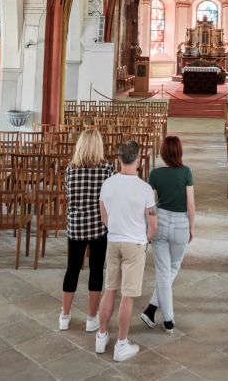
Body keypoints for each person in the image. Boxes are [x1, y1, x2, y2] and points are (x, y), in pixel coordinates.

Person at [96, 140, 157, 362]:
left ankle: (101, 335)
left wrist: (115, 230)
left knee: (110, 290)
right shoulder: (145, 189)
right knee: (128, 296)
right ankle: (121, 344)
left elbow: (104, 216)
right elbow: (153, 224)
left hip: (113, 241)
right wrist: (145, 240)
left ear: (119, 159)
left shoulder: (107, 184)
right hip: (135, 244)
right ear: (138, 159)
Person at [60, 129, 114, 332]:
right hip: (99, 226)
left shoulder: (70, 169)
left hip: (76, 226)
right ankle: (92, 319)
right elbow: (109, 197)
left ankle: (64, 316)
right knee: (96, 270)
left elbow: (68, 196)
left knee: (72, 269)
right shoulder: (106, 168)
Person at [141, 135, 195, 333]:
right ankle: (168, 320)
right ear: (179, 152)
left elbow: (149, 204)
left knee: (165, 271)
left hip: (161, 222)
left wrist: (149, 225)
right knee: (171, 268)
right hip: (181, 223)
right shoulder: (186, 172)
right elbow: (190, 203)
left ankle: (152, 309)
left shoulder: (155, 174)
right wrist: (192, 226)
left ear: (163, 153)